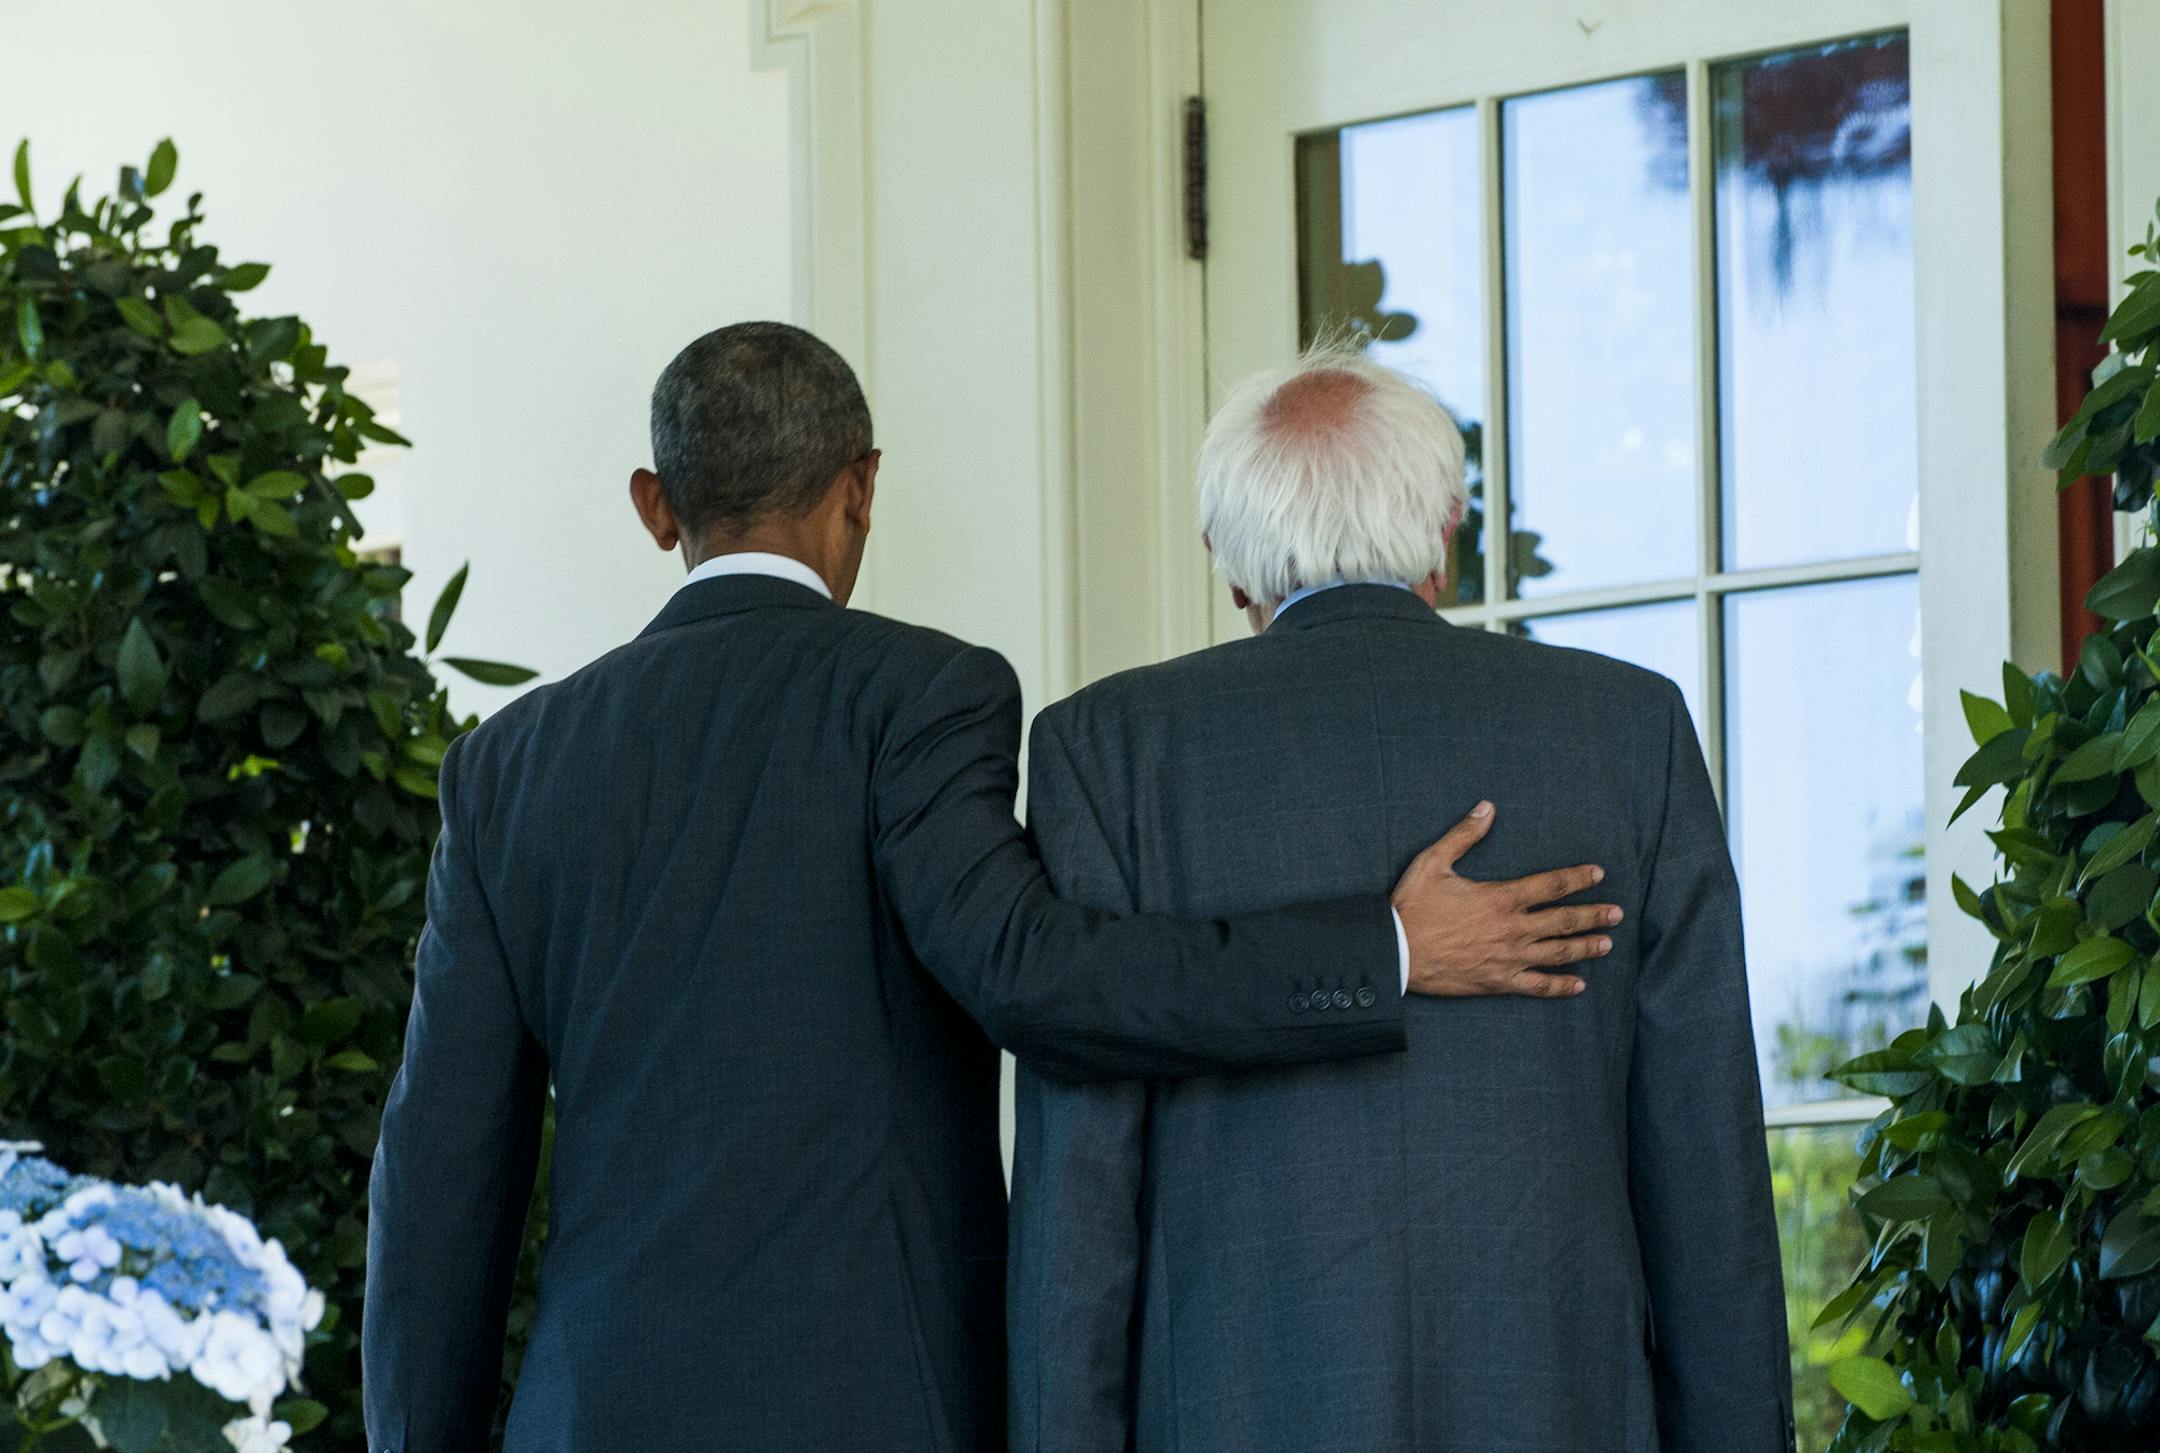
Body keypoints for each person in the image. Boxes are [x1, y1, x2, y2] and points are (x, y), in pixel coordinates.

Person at [362, 322, 1621, 1453]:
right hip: (884, 1406)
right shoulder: (916, 696)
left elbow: (438, 1175)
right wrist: (1384, 948)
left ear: (654, 506)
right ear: (863, 487)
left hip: (594, 1415)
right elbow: (1043, 979)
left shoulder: (505, 769)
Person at [1008, 346, 1794, 1453]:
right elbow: (1707, 1184)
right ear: (1446, 533)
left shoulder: (1107, 754)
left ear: (1229, 566)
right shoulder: (1629, 734)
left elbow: (1076, 1210)